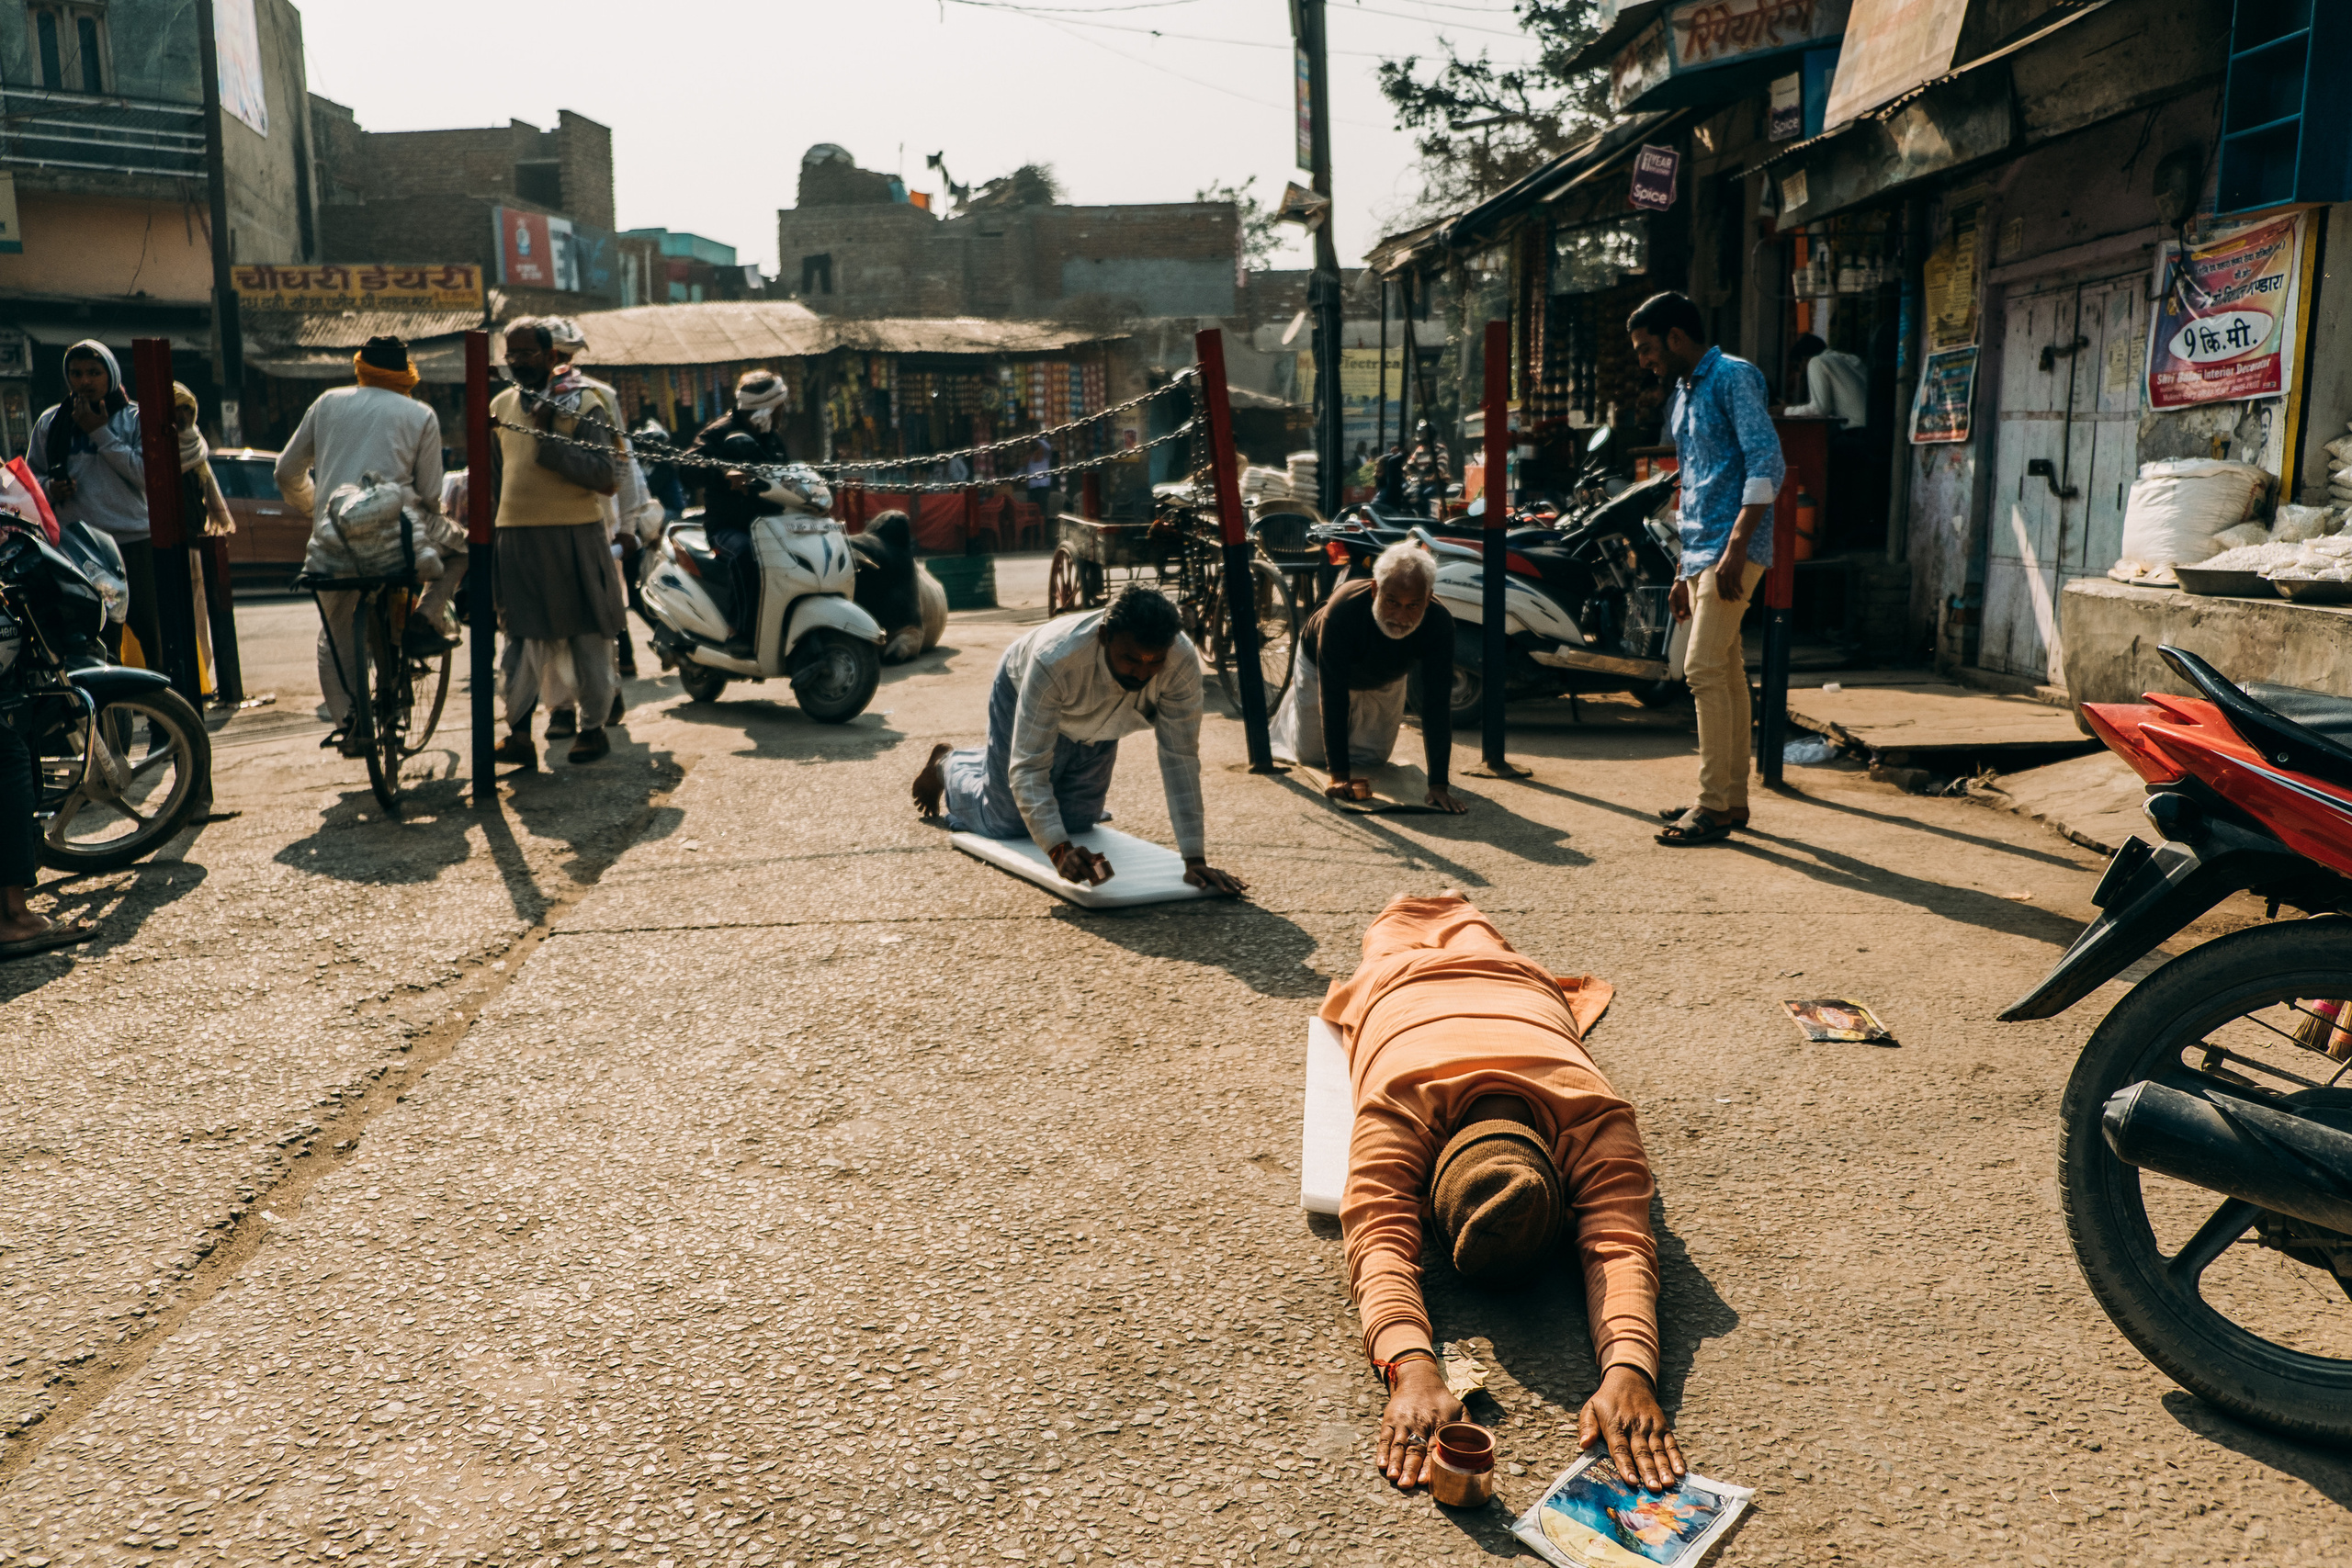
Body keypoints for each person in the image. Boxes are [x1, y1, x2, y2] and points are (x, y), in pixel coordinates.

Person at [1324, 893, 1680, 1494]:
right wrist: (1411, 1369)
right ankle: (1442, 903)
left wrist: (1630, 1372)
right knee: (1427, 917)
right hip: (1419, 982)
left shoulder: (1595, 1117)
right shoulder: (1400, 1105)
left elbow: (1380, 1236)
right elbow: (1619, 1246)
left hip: (1497, 984)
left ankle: (1440, 901)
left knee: (1418, 916)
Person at [909, 583, 1247, 895]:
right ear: (1104, 636)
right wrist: (1058, 850)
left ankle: (996, 763)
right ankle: (948, 765)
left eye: (1155, 662)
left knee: (1078, 822)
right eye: (1130, 659)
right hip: (1022, 690)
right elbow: (1028, 768)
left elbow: (1180, 758)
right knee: (1007, 820)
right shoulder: (1055, 659)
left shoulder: (1180, 660)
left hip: (1106, 725)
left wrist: (1194, 858)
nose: (1142, 673)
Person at [1627, 290, 1784, 847]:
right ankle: (1730, 798)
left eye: (1647, 348)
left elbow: (1767, 461)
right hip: (1699, 551)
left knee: (1700, 670)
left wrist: (1736, 546)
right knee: (1726, 668)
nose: (1644, 361)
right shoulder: (1683, 393)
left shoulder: (1733, 376)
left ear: (1675, 337)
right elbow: (1693, 485)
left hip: (1732, 550)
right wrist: (1680, 568)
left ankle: (1713, 804)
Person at [273, 336, 456, 751]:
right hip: (397, 545)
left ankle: (352, 725)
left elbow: (285, 472)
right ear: (406, 374)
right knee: (464, 549)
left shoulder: (327, 403)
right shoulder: (419, 413)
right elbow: (430, 493)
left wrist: (317, 509)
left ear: (360, 368)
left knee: (334, 637)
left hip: (333, 542)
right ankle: (424, 620)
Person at [488, 319, 627, 768]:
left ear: (551, 357)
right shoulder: (500, 405)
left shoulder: (585, 403)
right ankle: (519, 735)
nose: (517, 362)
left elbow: (604, 475)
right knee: (520, 639)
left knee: (588, 635)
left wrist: (548, 439)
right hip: (516, 538)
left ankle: (593, 731)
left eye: (527, 353)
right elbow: (496, 478)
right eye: (511, 354)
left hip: (575, 534)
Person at [1272, 542, 1463, 812]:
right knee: (1312, 756)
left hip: (1387, 675)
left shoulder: (1439, 623)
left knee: (1370, 760)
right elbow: (1334, 695)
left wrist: (1439, 785)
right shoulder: (1342, 611)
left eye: (1413, 606)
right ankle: (1294, 702)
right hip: (1322, 667)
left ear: (1428, 598)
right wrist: (1339, 776)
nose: (1401, 617)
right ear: (1375, 590)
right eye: (1392, 602)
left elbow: (1437, 704)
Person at [28, 341, 158, 670]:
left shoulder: (134, 418)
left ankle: (161, 700)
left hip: (130, 540)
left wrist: (100, 432)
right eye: (76, 373)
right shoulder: (51, 421)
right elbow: (30, 481)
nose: (85, 381)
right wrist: (51, 487)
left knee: (150, 628)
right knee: (95, 635)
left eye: (94, 372)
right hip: (77, 546)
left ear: (111, 375)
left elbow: (147, 475)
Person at [691, 369, 796, 650]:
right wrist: (723, 472)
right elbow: (688, 470)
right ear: (767, 409)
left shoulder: (772, 438)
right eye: (780, 406)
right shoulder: (717, 433)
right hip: (728, 527)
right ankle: (737, 630)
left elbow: (788, 475)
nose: (784, 411)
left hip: (770, 524)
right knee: (746, 553)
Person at [1781, 333, 1869, 427]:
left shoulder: (1816, 361)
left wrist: (1785, 410)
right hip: (1874, 427)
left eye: (1796, 367)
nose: (1799, 373)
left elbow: (1820, 409)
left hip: (1856, 430)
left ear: (1804, 359)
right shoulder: (1850, 359)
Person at [1405, 421, 1451, 517]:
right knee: (1406, 492)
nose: (1420, 435)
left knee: (1425, 494)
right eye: (1419, 433)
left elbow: (1440, 470)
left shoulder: (1440, 449)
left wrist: (1430, 478)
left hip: (1438, 484)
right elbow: (1409, 466)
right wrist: (1405, 472)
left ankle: (1427, 518)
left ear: (1430, 434)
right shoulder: (1419, 450)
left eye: (1423, 433)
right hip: (1421, 482)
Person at [1374, 441, 1408, 511]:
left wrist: (1401, 453)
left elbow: (1392, 462)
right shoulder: (1381, 489)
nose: (1375, 474)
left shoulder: (1392, 488)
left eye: (1379, 472)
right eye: (1375, 471)